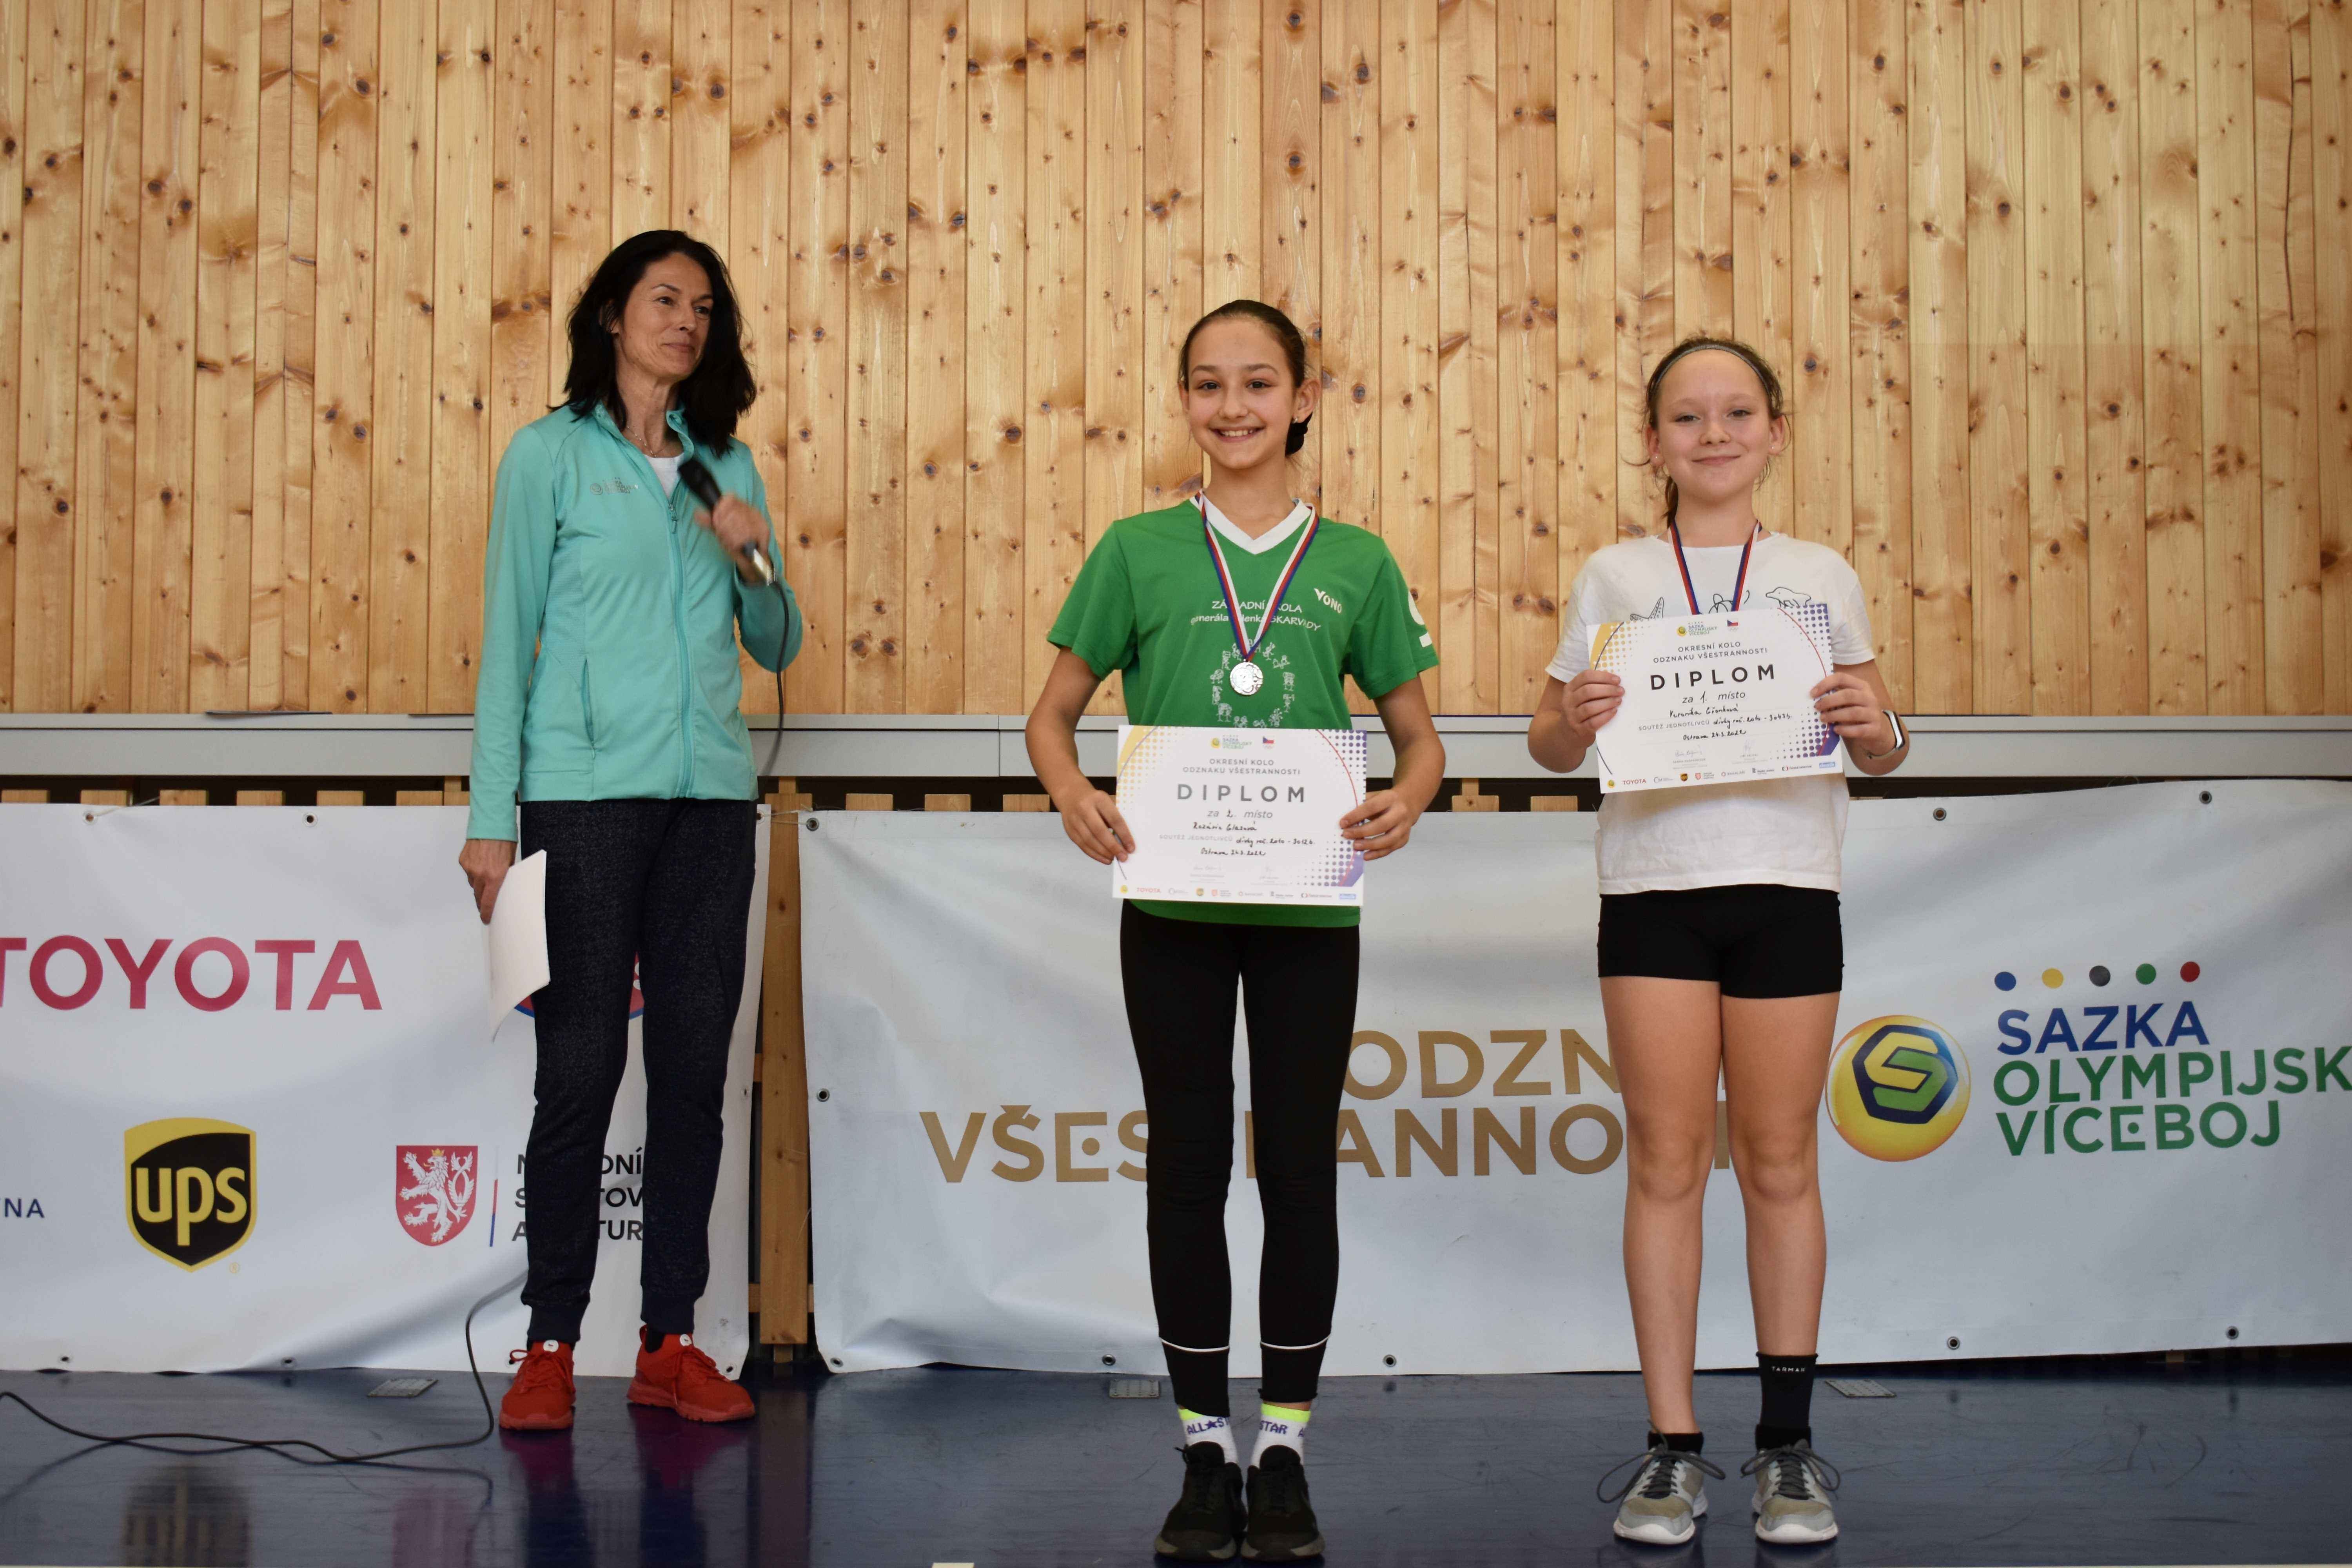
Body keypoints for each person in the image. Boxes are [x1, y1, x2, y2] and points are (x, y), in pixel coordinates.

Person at [1026, 299, 1445, 1563]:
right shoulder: (1137, 549)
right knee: (1190, 1167)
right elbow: (1051, 716)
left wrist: (1408, 798)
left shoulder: (1358, 560)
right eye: (1208, 384)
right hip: (1174, 907)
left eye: (1259, 382)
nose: (1233, 406)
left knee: (1301, 1168)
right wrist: (1072, 792)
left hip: (1309, 903)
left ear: (1303, 398)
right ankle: (1205, 1446)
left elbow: (1420, 738)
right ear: (1186, 404)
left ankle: (1288, 1448)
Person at [1526, 336, 1909, 1545]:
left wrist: (1875, 723)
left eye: (1737, 412)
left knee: (1783, 1162)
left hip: (1789, 886)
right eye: (1687, 417)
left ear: (1775, 432)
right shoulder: (1615, 575)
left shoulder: (1819, 574)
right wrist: (1576, 713)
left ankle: (1787, 1451)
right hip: (1654, 894)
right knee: (1667, 1164)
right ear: (1654, 443)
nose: (1714, 433)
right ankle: (1674, 1451)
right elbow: (1549, 742)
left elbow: (1882, 743)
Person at [458, 229, 801, 1432]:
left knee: (695, 1077)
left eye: (704, 307)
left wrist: (754, 559)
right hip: (582, 800)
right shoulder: (548, 457)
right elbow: (508, 640)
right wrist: (491, 817)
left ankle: (670, 1340)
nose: (686, 323)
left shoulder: (726, 466)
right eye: (665, 300)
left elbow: (777, 644)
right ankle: (550, 1342)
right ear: (612, 314)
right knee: (580, 1073)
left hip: (711, 807)